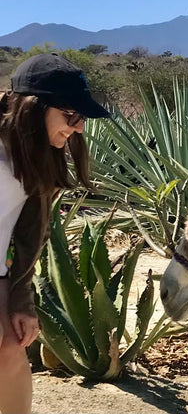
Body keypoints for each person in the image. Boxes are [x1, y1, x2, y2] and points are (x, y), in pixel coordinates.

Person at [0, 53, 110, 414]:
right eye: (71, 116)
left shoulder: (35, 158)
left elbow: (30, 236)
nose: (78, 128)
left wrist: (21, 300)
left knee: (11, 351)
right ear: (34, 107)